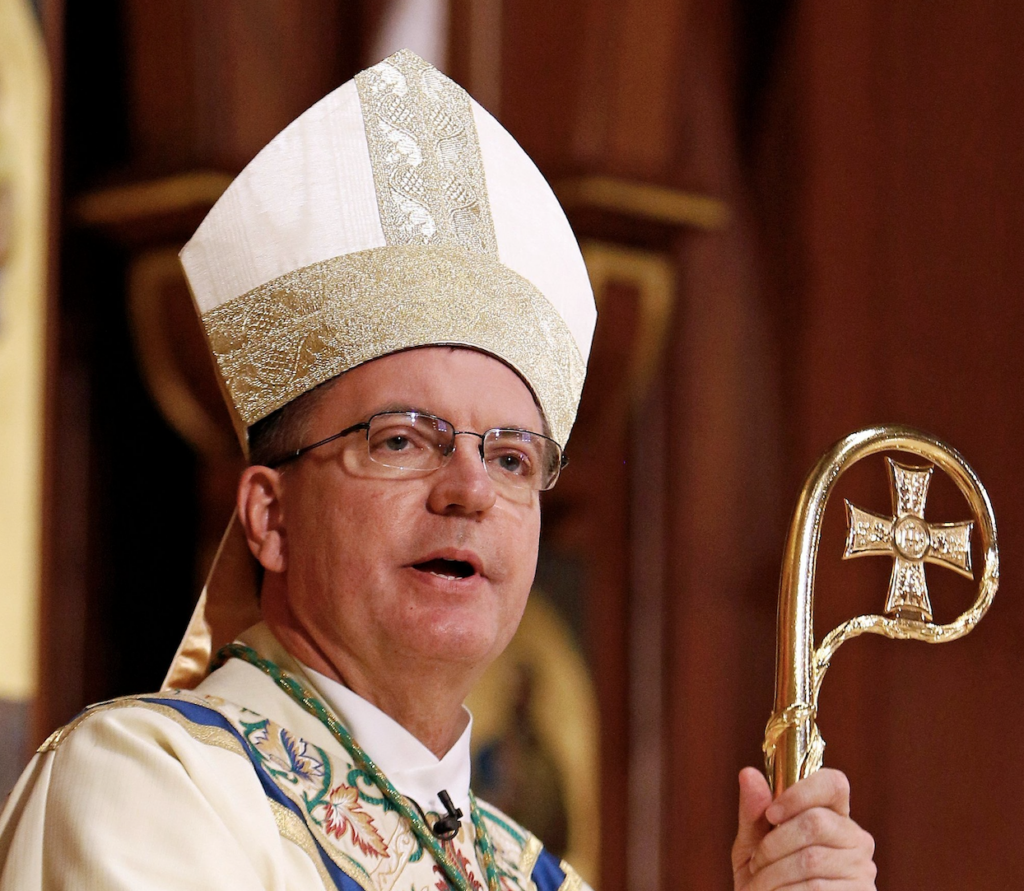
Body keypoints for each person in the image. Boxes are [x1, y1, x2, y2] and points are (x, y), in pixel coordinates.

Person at [0, 50, 876, 890]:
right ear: (269, 516)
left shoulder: (532, 872)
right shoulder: (153, 787)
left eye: (511, 456)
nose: (470, 491)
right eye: (401, 440)